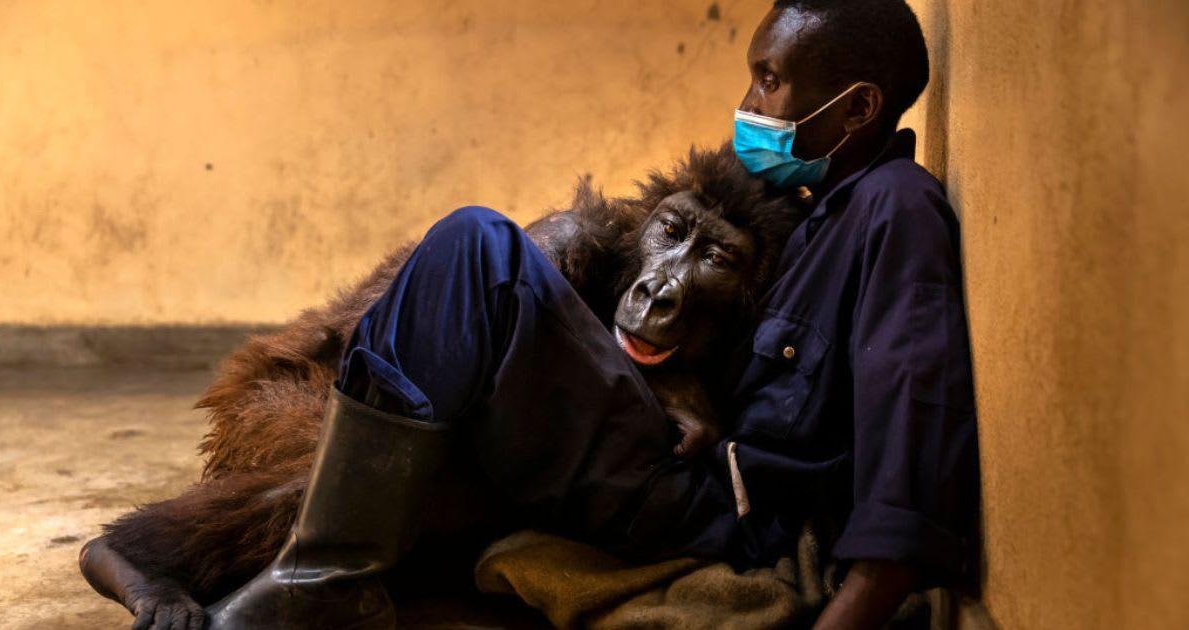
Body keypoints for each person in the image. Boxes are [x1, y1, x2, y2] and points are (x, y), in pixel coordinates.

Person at [205, 1, 980, 628]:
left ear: (859, 109)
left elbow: (911, 416)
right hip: (676, 462)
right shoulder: (814, 215)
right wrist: (685, 393)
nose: (749, 104)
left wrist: (861, 602)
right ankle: (328, 566)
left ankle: (327, 574)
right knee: (477, 265)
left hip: (709, 514)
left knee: (479, 249)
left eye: (769, 80)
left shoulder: (894, 211)